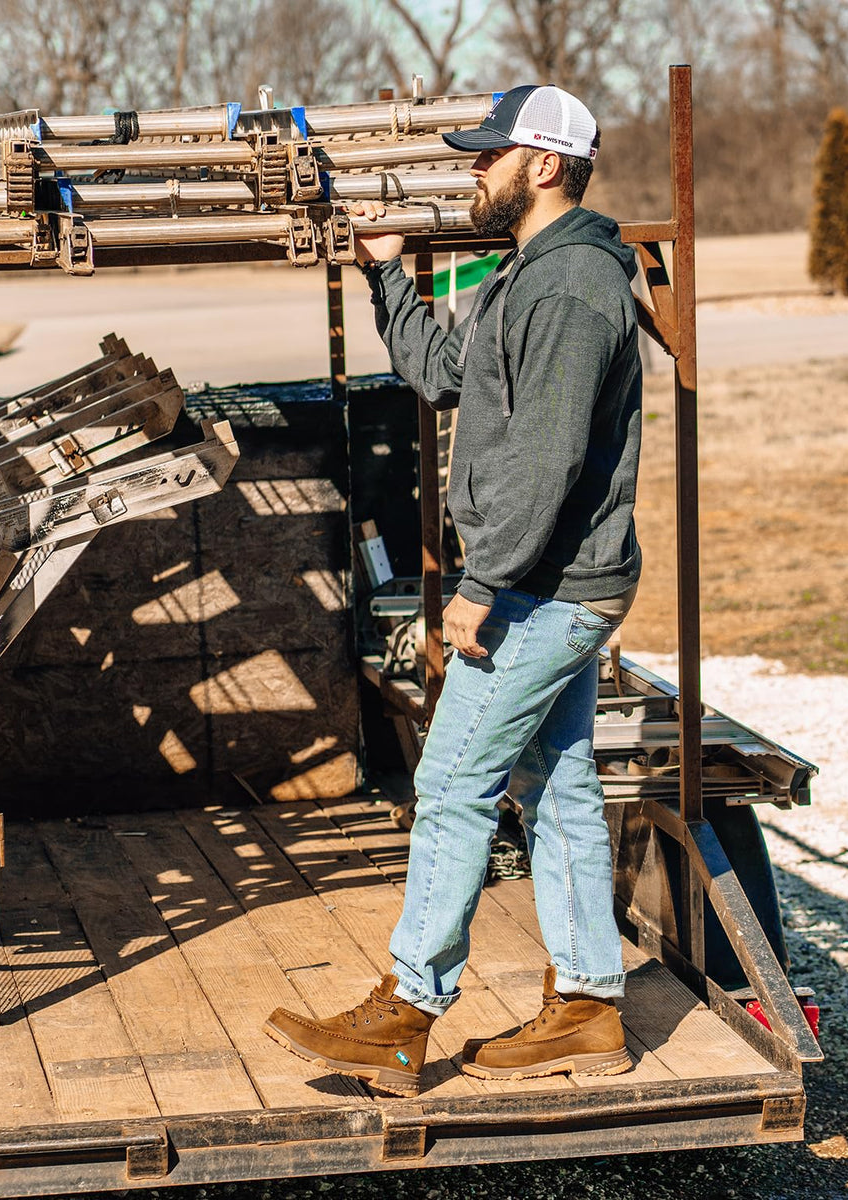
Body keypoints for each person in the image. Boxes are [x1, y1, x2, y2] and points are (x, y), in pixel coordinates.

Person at [264, 84, 643, 1097]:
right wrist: (388, 276)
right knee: (555, 787)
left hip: (548, 589)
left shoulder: (573, 287)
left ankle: (407, 1012)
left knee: (449, 784)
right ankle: (591, 1008)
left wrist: (485, 584)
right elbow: (442, 378)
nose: (473, 170)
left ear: (548, 166)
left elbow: (550, 459)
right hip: (549, 584)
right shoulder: (529, 274)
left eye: (490, 156)